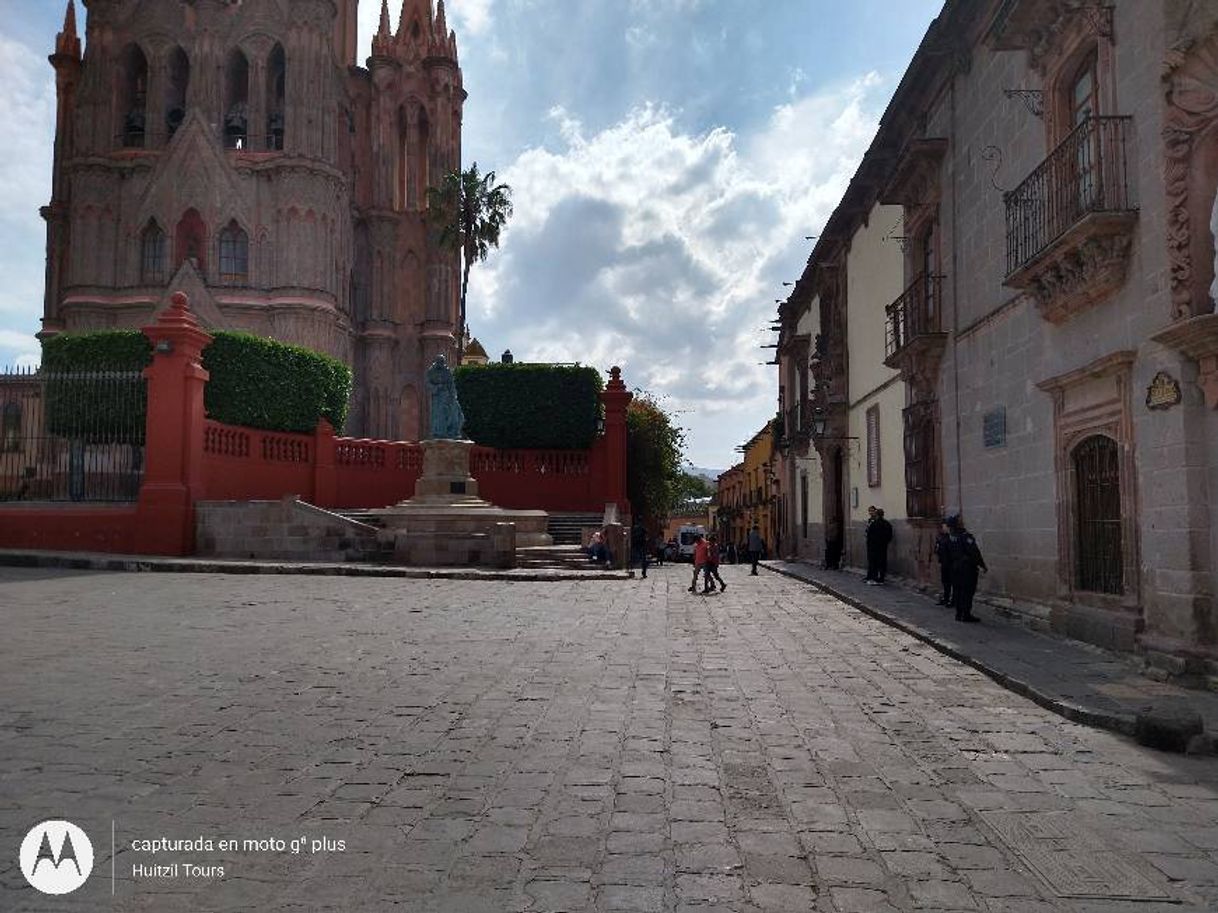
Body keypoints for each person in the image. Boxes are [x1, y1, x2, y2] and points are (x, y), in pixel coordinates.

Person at [944, 514, 987, 622]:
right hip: (966, 569)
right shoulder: (965, 536)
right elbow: (974, 552)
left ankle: (959, 614)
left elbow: (946, 555)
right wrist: (982, 565)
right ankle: (966, 614)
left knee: (957, 591)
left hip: (954, 568)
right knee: (967, 592)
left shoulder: (949, 538)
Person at [864, 506, 894, 585]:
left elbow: (869, 535)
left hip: (873, 546)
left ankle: (874, 578)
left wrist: (870, 543)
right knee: (882, 561)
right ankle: (881, 579)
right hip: (883, 546)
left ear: (877, 515)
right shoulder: (887, 524)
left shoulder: (874, 524)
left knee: (874, 562)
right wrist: (885, 542)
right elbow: (890, 535)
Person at [933, 520, 953, 607]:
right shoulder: (940, 537)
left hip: (951, 563)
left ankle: (953, 600)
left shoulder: (951, 538)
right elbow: (937, 549)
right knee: (945, 582)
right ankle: (946, 598)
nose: (942, 528)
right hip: (944, 562)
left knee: (953, 582)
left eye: (944, 526)